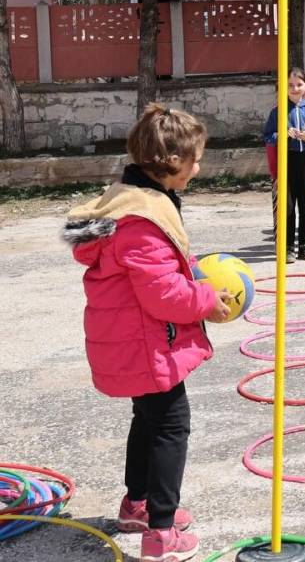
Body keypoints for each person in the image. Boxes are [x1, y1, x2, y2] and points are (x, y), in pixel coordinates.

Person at [62, 104, 231, 562]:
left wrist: (192, 270)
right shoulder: (141, 220)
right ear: (171, 164)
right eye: (195, 159)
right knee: (171, 427)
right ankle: (160, 533)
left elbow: (160, 270)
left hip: (134, 339)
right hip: (144, 343)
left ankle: (137, 505)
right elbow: (163, 295)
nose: (199, 167)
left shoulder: (131, 198)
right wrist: (207, 300)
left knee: (150, 419)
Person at [263, 69, 305, 262]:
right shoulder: (278, 111)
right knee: (288, 205)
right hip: (287, 160)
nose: (294, 88)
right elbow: (268, 135)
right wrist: (282, 134)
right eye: (290, 85)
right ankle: (288, 246)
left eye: (298, 84)